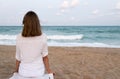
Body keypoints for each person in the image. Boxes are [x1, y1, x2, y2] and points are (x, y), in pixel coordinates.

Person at [9, 11, 54, 79]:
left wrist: (16, 71)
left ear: (24, 23)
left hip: (23, 72)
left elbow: (18, 58)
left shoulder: (19, 37)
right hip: (38, 72)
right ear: (37, 23)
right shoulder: (43, 37)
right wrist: (49, 71)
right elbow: (45, 57)